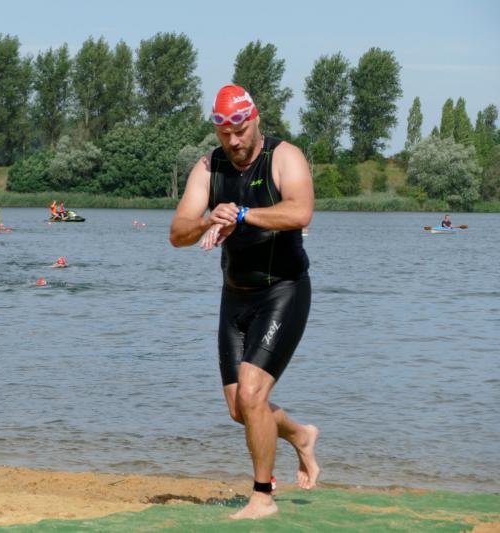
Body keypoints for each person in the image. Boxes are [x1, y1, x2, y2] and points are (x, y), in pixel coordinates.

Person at [169, 84, 319, 521]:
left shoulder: (284, 157)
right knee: (240, 408)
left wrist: (241, 214)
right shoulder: (208, 167)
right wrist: (206, 221)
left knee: (253, 394)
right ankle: (300, 435)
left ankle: (262, 497)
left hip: (283, 290)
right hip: (234, 296)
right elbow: (177, 233)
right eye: (224, 134)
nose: (233, 141)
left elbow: (300, 212)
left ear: (254, 120)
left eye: (240, 131)